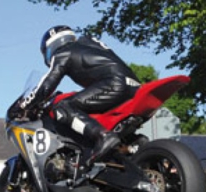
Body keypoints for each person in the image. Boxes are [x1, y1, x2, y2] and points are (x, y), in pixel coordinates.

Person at [16, 25, 141, 166]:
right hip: (134, 85)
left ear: (51, 46)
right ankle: (133, 143)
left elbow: (47, 85)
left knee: (63, 107)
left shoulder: (63, 52)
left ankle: (103, 137)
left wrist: (25, 105)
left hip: (114, 83)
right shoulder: (88, 43)